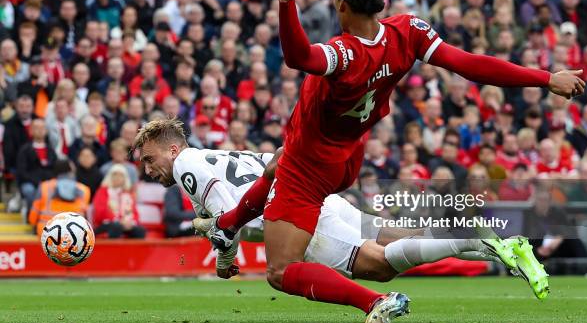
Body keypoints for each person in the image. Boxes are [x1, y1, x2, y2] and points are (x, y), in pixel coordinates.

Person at [187, 0, 582, 323]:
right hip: (348, 156)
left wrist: (286, 0)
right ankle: (227, 225)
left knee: (280, 270)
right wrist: (546, 78)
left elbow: (298, 57)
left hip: (310, 165)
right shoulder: (407, 31)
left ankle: (375, 299)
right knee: (275, 161)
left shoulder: (343, 54)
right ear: (383, 1)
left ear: (340, 3)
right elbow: (468, 63)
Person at [133, 122, 549, 302]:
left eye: (150, 160)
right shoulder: (214, 156)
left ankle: (472, 239)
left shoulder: (186, 164)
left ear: (172, 147)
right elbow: (231, 218)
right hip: (318, 197)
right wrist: (224, 253)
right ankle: (500, 246)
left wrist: (222, 243)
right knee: (396, 238)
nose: (149, 171)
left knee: (380, 266)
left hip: (297, 217)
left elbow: (230, 218)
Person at [28, 159, 90, 235]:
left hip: (47, 231)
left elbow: (34, 214)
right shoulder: (84, 189)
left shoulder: (44, 187)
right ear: (70, 170)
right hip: (75, 233)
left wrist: (33, 224)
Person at [92, 164, 145, 239]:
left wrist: (130, 222)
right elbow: (99, 213)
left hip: (124, 224)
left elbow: (135, 213)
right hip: (105, 224)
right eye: (115, 175)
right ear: (110, 177)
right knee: (116, 227)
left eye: (120, 175)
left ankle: (132, 251)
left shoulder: (127, 194)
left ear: (124, 178)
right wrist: (118, 220)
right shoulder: (102, 191)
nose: (117, 178)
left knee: (140, 230)